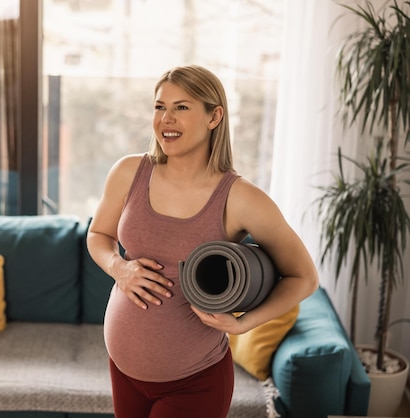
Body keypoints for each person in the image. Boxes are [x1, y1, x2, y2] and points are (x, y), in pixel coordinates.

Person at [86, 64, 319, 418]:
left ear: (215, 117)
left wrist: (243, 324)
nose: (166, 118)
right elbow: (97, 235)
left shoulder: (241, 198)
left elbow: (304, 277)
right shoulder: (128, 172)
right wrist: (119, 267)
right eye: (160, 106)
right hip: (124, 371)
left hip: (195, 382)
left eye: (181, 107)